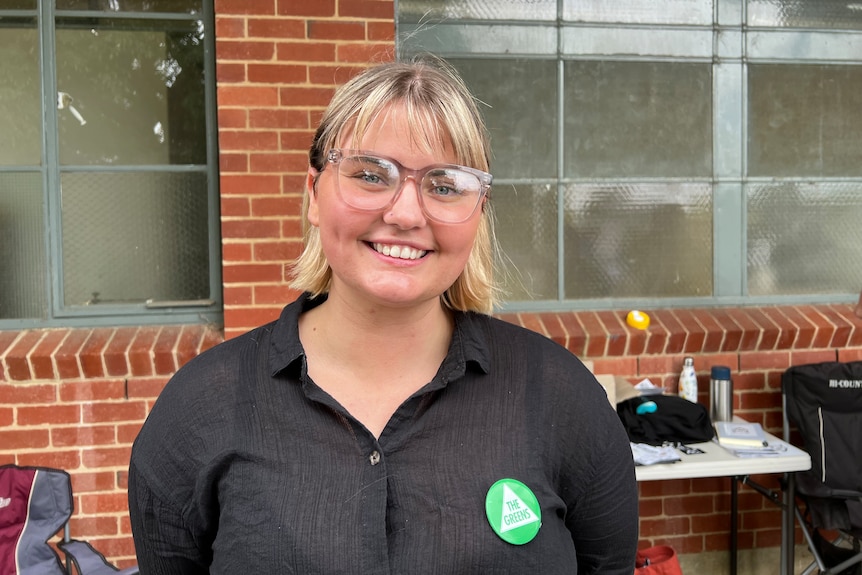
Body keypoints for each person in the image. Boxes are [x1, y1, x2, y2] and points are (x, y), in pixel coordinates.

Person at [128, 56, 638, 574]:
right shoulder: (199, 411)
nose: (405, 214)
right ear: (313, 193)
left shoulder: (561, 399)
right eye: (371, 175)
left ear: (478, 212)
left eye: (444, 185)